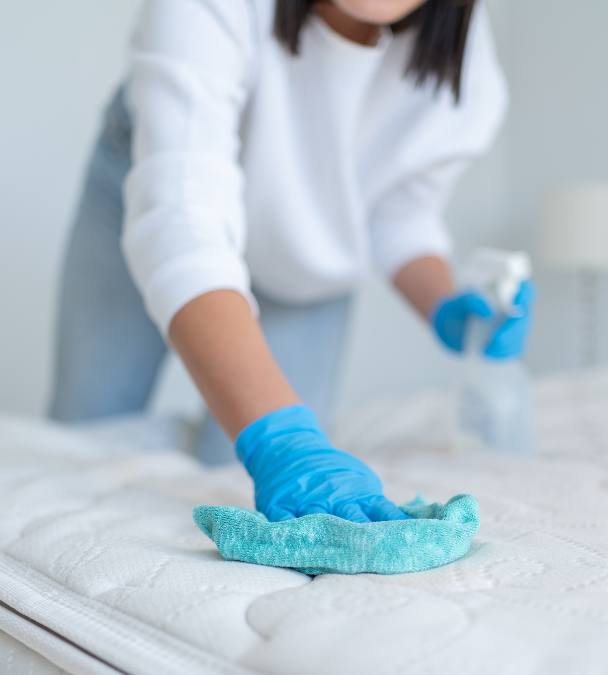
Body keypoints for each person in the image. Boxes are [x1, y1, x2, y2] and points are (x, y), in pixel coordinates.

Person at [49, 0, 533, 524]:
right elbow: (182, 222)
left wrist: (445, 306)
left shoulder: (468, 61)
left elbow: (399, 214)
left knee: (233, 470)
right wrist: (282, 441)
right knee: (87, 435)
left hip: (302, 259)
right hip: (155, 192)